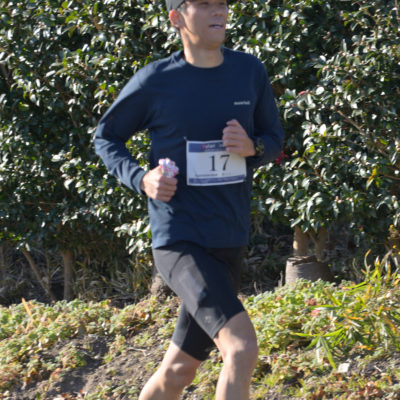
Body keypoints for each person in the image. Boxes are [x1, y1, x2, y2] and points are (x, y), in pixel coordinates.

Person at [94, 0, 284, 398]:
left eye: (223, 4)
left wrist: (252, 147)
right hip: (180, 239)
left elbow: (274, 140)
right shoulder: (156, 80)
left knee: (179, 370)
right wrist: (141, 178)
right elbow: (106, 137)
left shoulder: (249, 71)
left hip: (229, 237)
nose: (219, 12)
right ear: (176, 17)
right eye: (206, 4)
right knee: (241, 348)